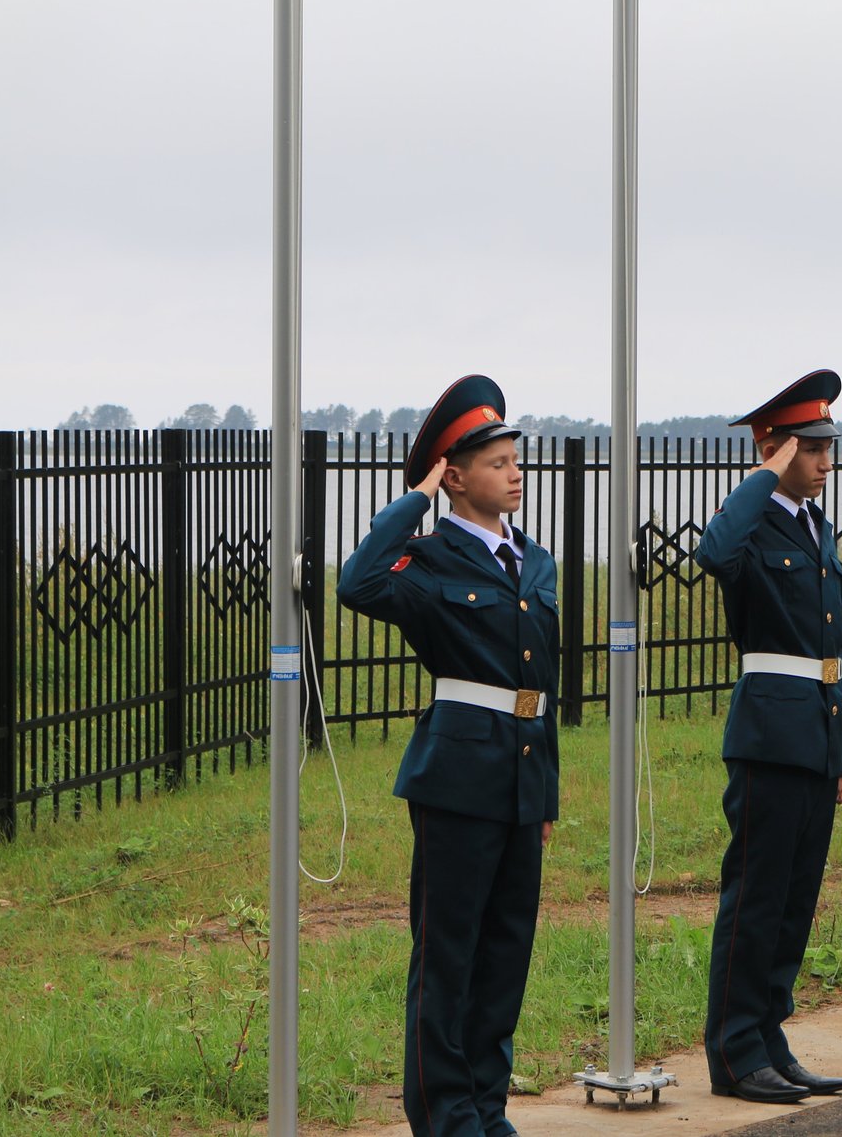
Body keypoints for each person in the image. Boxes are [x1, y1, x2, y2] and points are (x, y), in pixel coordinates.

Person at [336, 375, 560, 1137]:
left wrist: (547, 797)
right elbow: (357, 583)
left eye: (514, 458)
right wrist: (414, 501)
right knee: (448, 956)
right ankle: (443, 1117)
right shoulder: (427, 560)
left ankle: (487, 1111)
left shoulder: (536, 563)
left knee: (505, 954)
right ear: (455, 477)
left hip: (522, 780)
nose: (515, 472)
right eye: (496, 462)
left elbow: (541, 688)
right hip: (458, 779)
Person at [698, 368, 842, 1106]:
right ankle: (733, 1051)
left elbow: (831, 647)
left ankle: (769, 1038)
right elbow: (713, 553)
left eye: (829, 444)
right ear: (775, 447)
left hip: (816, 732)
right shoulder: (755, 517)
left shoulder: (814, 525)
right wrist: (761, 474)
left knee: (795, 900)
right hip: (768, 731)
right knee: (756, 897)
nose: (827, 458)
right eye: (811, 445)